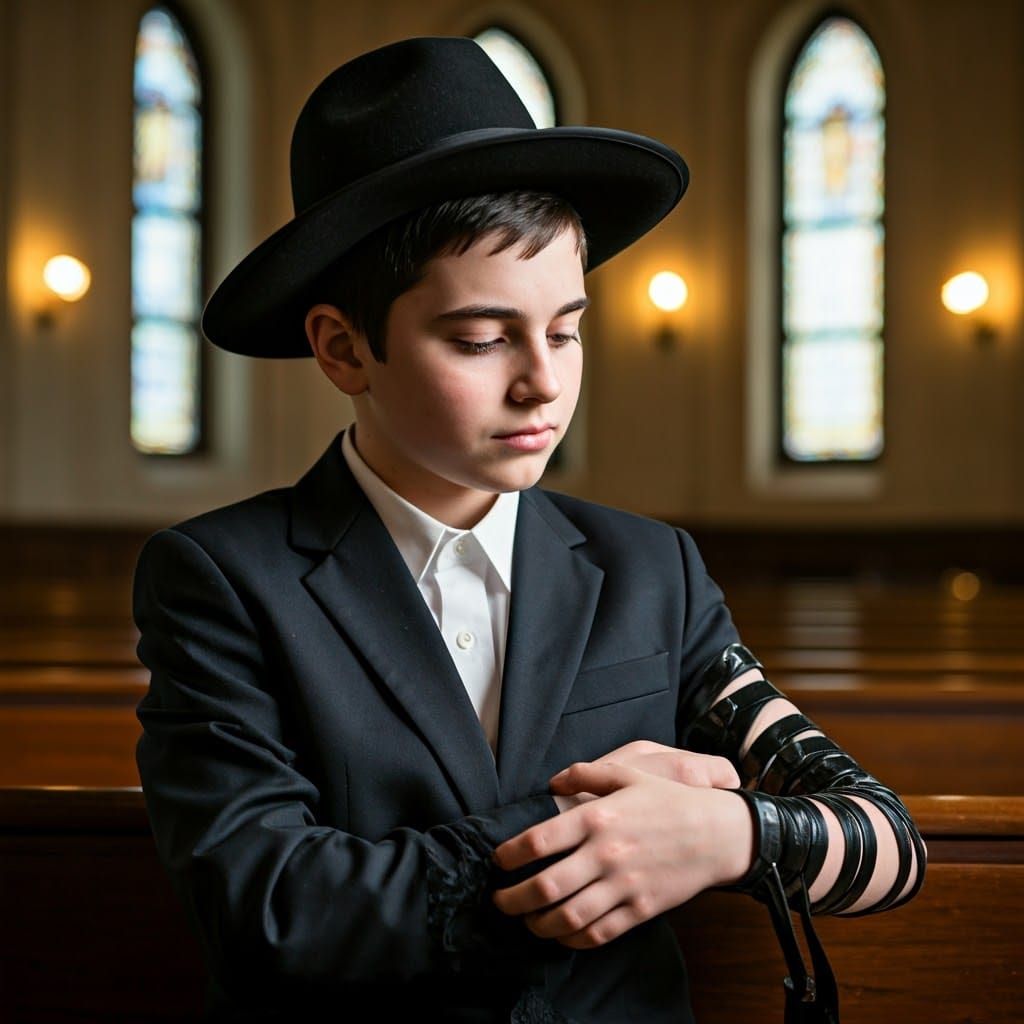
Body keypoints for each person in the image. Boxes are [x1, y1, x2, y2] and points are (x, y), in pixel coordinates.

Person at [134, 36, 925, 1024]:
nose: (543, 382)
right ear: (343, 348)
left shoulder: (653, 569)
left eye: (565, 329)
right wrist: (579, 828)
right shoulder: (219, 578)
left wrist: (726, 836)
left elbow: (885, 840)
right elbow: (272, 914)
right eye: (480, 339)